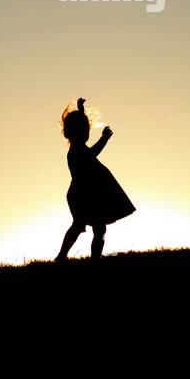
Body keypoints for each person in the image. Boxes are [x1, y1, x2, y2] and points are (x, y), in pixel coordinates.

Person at [55, 98, 135, 261]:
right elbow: (91, 153)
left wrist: (81, 109)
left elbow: (84, 140)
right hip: (84, 195)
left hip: (89, 194)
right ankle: (63, 255)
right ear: (74, 132)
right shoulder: (76, 150)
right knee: (81, 227)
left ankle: (93, 258)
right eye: (84, 130)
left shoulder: (77, 146)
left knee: (97, 229)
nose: (87, 133)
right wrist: (104, 139)